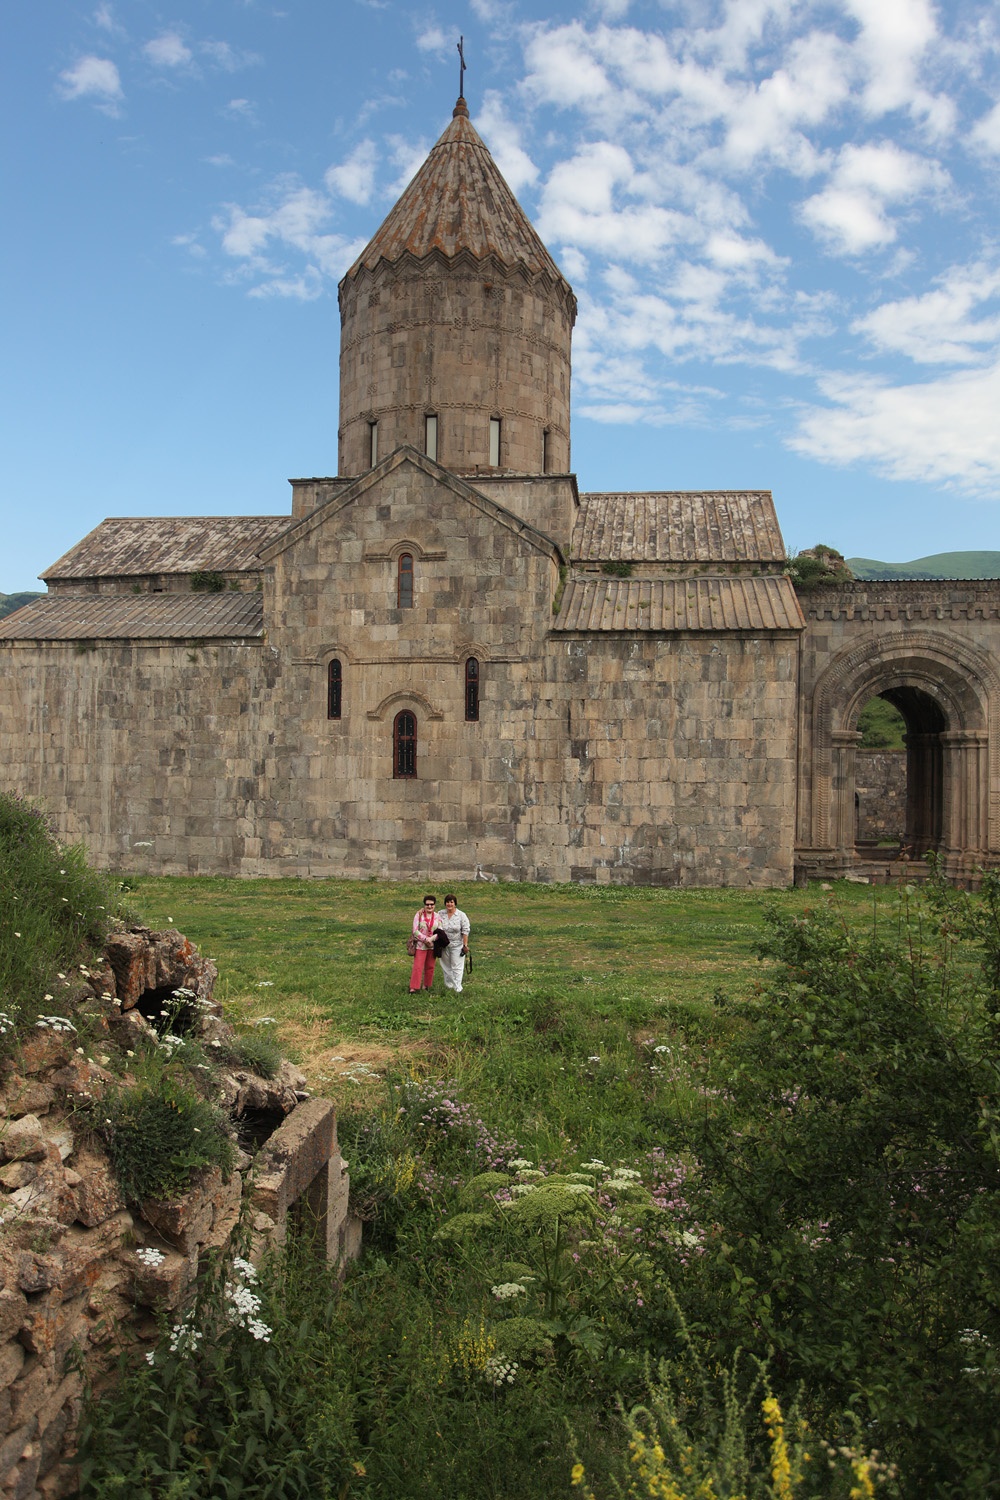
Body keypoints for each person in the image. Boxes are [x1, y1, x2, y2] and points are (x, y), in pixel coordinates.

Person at [436, 893, 471, 993]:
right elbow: (432, 920)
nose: (449, 904)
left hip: (457, 945)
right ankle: (449, 986)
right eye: (447, 902)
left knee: (457, 967)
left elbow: (465, 930)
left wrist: (465, 945)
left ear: (455, 903)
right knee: (446, 966)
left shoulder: (461, 915)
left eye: (451, 902)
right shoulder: (440, 914)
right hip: (444, 945)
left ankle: (458, 988)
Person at [409, 894, 440, 993]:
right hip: (420, 945)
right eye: (427, 904)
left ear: (434, 905)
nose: (429, 906)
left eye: (432, 904)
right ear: (424, 905)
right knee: (418, 966)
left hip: (432, 945)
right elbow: (415, 930)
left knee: (430, 966)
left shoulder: (437, 916)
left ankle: (426, 985)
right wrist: (425, 939)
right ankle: (414, 987)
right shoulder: (419, 915)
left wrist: (431, 939)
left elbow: (440, 931)